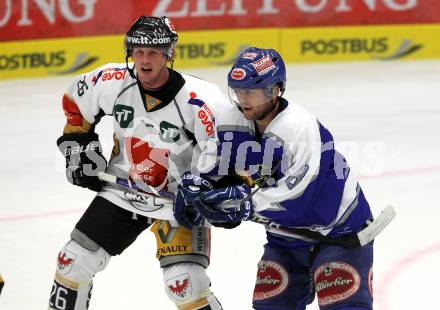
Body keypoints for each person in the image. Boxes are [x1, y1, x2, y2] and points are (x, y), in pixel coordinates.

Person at [174, 47, 375, 309]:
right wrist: (200, 189)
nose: (243, 99)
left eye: (251, 91)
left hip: (340, 232)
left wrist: (243, 204)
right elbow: (219, 168)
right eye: (238, 90)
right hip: (285, 238)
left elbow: (298, 200)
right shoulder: (230, 118)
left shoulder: (299, 127)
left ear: (275, 89)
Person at [50, 16, 224, 310]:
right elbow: (76, 103)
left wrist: (208, 188)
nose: (144, 60)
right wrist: (79, 148)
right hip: (124, 190)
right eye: (138, 51)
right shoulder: (111, 81)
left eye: (153, 52)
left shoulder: (202, 100)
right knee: (72, 262)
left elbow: (223, 153)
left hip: (179, 200)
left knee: (184, 283)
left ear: (170, 54)